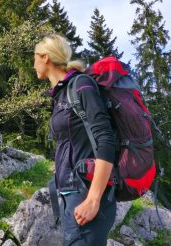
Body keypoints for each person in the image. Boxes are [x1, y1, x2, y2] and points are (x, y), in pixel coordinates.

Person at [34, 34, 116, 246]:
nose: (33, 64)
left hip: (86, 194)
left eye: (34, 57)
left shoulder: (81, 85)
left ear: (45, 57)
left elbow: (105, 139)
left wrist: (93, 199)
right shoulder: (62, 94)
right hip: (71, 195)